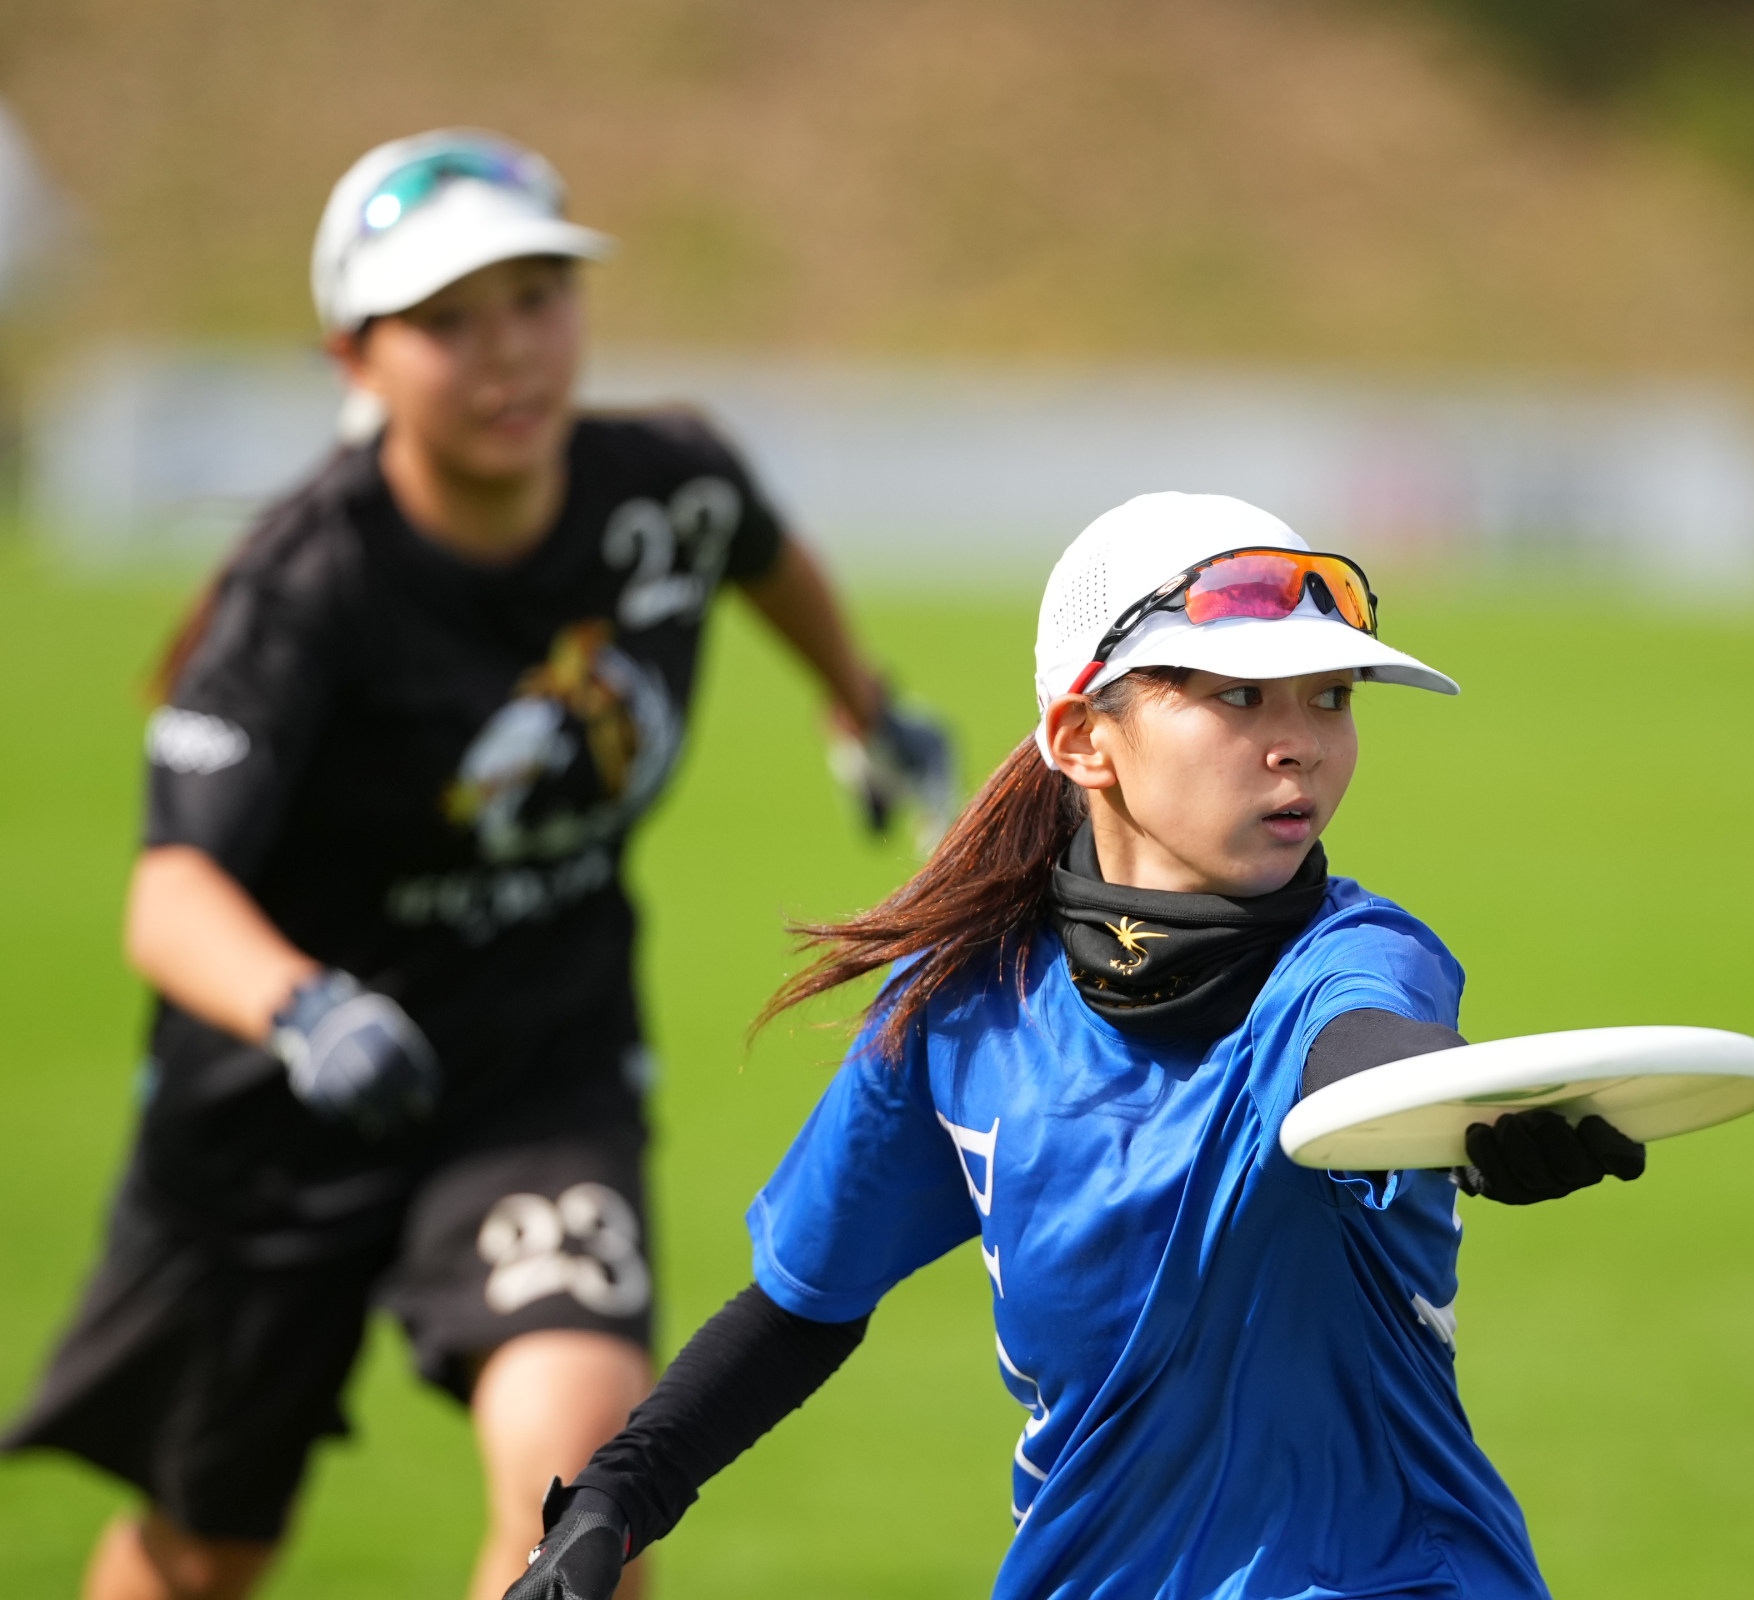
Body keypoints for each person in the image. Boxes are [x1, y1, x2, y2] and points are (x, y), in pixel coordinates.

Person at [1, 128, 951, 1600]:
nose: (508, 350)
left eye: (537, 298)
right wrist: (310, 1010)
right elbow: (170, 892)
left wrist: (860, 702)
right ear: (355, 357)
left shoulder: (668, 487)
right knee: (206, 1552)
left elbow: (758, 553)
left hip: (533, 1075)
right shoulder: (303, 586)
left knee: (586, 1499)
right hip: (277, 1108)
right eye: (447, 320)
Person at [503, 492, 1648, 1600]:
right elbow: (804, 1303)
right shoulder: (963, 1002)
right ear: (1083, 737)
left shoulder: (1354, 959)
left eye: (1331, 697)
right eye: (1241, 697)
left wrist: (1462, 1115)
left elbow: (1365, 1050)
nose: (1300, 745)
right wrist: (617, 1494)